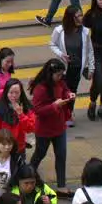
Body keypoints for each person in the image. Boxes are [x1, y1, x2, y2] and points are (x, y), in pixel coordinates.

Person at [29, 58, 73, 188]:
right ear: (50, 74)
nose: (60, 77)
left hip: (59, 127)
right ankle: (28, 175)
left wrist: (69, 94)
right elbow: (37, 109)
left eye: (61, 75)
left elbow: (65, 89)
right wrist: (54, 106)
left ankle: (61, 185)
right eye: (58, 75)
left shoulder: (60, 82)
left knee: (61, 155)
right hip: (44, 130)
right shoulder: (40, 88)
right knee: (40, 153)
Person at [50, 6, 94, 124]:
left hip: (77, 68)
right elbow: (52, 44)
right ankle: (60, 113)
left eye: (81, 15)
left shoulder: (85, 31)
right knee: (60, 91)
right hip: (63, 69)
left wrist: (91, 68)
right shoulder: (59, 31)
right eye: (78, 16)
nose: (81, 18)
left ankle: (69, 114)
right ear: (71, 18)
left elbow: (90, 50)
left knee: (71, 92)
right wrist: (61, 54)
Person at [0, 82, 35, 155]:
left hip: (19, 148)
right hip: (3, 149)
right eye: (11, 92)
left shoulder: (26, 107)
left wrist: (21, 114)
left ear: (21, 93)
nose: (14, 95)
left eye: (17, 92)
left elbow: (30, 128)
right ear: (6, 93)